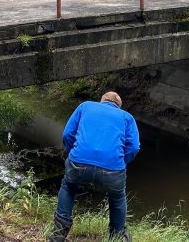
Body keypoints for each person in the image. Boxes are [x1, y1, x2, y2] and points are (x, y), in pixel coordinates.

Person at [49, 91, 140, 242]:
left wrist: (73, 153)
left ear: (102, 101)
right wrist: (121, 162)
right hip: (113, 168)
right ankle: (117, 236)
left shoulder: (85, 106)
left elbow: (67, 134)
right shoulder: (127, 117)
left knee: (69, 187)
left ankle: (58, 234)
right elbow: (134, 147)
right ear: (118, 106)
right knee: (117, 198)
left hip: (78, 162)